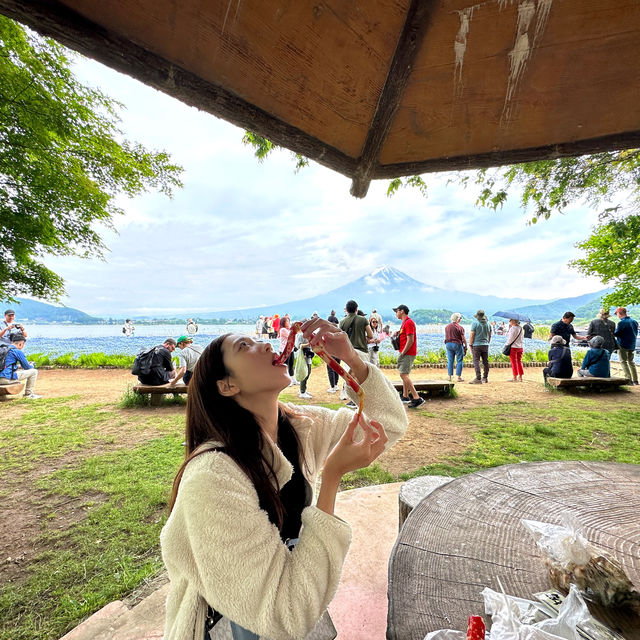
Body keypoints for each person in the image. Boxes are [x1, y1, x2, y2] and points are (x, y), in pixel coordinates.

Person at [160, 320, 408, 640]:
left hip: (292, 588)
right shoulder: (211, 478)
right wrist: (331, 478)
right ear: (227, 385)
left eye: (258, 341)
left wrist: (352, 359)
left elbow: (387, 425)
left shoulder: (298, 427)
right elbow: (282, 617)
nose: (266, 345)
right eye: (243, 346)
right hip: (230, 622)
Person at [339, 300, 373, 406]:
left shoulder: (342, 322)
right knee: (363, 376)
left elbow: (340, 338)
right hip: (362, 351)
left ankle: (354, 399)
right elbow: (370, 335)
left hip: (348, 352)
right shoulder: (362, 319)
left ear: (347, 310)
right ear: (356, 309)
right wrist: (364, 338)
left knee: (350, 376)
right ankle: (364, 399)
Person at [393, 304, 424, 408]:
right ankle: (405, 396)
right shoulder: (405, 323)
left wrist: (403, 352)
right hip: (406, 352)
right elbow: (406, 336)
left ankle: (416, 397)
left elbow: (410, 339)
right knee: (404, 373)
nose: (396, 313)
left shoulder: (408, 322)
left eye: (396, 311)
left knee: (403, 375)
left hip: (407, 353)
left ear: (402, 311)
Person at [0, 332, 41, 398]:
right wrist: (32, 365)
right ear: (20, 344)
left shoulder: (3, 349)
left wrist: (19, 366)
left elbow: (6, 364)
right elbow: (27, 367)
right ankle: (28, 394)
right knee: (34, 371)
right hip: (6, 378)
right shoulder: (17, 351)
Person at [614, 307, 639, 385]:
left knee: (623, 361)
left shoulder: (621, 323)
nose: (617, 315)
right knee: (631, 362)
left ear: (620, 313)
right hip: (632, 344)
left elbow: (616, 333)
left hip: (622, 344)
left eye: (617, 314)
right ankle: (635, 380)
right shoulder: (634, 322)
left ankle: (628, 379)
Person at [468, 309, 491, 384]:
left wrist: (470, 344)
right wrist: (488, 342)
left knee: (476, 361)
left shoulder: (475, 323)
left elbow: (472, 334)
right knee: (485, 361)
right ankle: (485, 377)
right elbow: (489, 334)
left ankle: (478, 378)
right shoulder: (488, 324)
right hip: (485, 344)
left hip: (477, 345)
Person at [444, 312, 467, 383]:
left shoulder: (447, 327)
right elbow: (463, 338)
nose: (460, 319)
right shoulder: (460, 328)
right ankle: (459, 377)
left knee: (450, 360)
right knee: (459, 360)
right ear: (458, 319)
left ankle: (449, 376)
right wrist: (466, 346)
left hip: (448, 344)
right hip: (457, 344)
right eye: (460, 318)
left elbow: (446, 336)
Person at [294, 330, 314, 399]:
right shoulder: (301, 335)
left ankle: (303, 389)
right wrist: (309, 344)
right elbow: (299, 346)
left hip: (308, 356)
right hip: (303, 356)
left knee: (308, 373)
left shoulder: (310, 334)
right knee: (304, 374)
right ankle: (302, 392)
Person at [325, 311, 340, 392]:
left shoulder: (327, 331)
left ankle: (332, 386)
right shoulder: (339, 331)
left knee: (330, 369)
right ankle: (336, 385)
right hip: (338, 352)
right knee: (337, 368)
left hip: (331, 352)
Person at [278, 316, 296, 381]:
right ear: (283, 322)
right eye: (287, 321)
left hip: (290, 349)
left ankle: (293, 380)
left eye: (289, 321)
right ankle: (286, 380)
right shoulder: (283, 330)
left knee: (291, 365)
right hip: (284, 350)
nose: (289, 323)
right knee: (285, 366)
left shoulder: (287, 329)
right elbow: (290, 336)